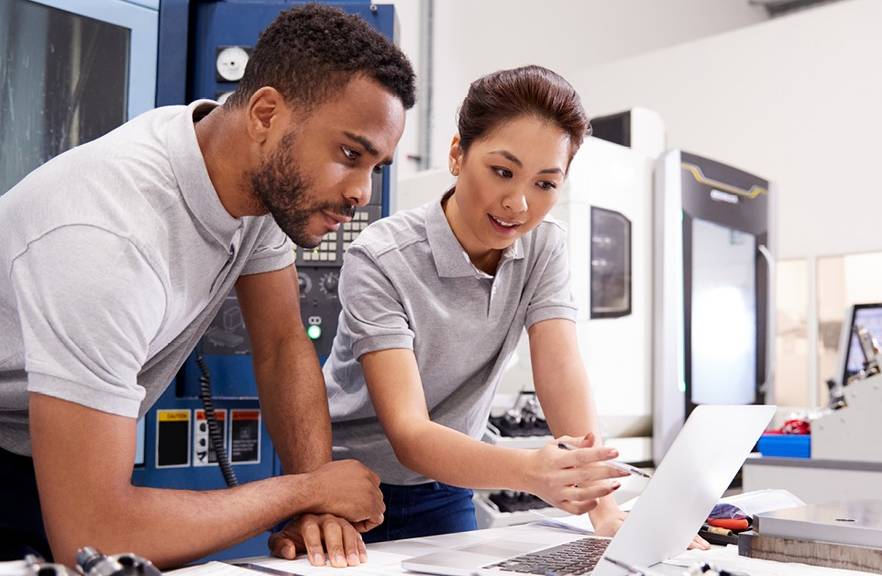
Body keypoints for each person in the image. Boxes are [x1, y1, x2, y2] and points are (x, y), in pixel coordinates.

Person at [0, 4, 414, 569]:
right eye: (349, 154)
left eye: (377, 167)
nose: (362, 193)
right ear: (266, 113)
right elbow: (92, 535)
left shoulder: (255, 180)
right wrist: (306, 492)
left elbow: (281, 345)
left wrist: (317, 501)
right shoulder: (107, 238)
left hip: (47, 451)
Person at [320, 65, 711, 556]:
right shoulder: (381, 257)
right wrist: (529, 471)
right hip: (350, 491)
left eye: (545, 184)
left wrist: (604, 510)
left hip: (447, 487)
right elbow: (410, 433)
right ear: (458, 153)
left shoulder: (543, 248)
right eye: (502, 172)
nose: (518, 204)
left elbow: (560, 370)